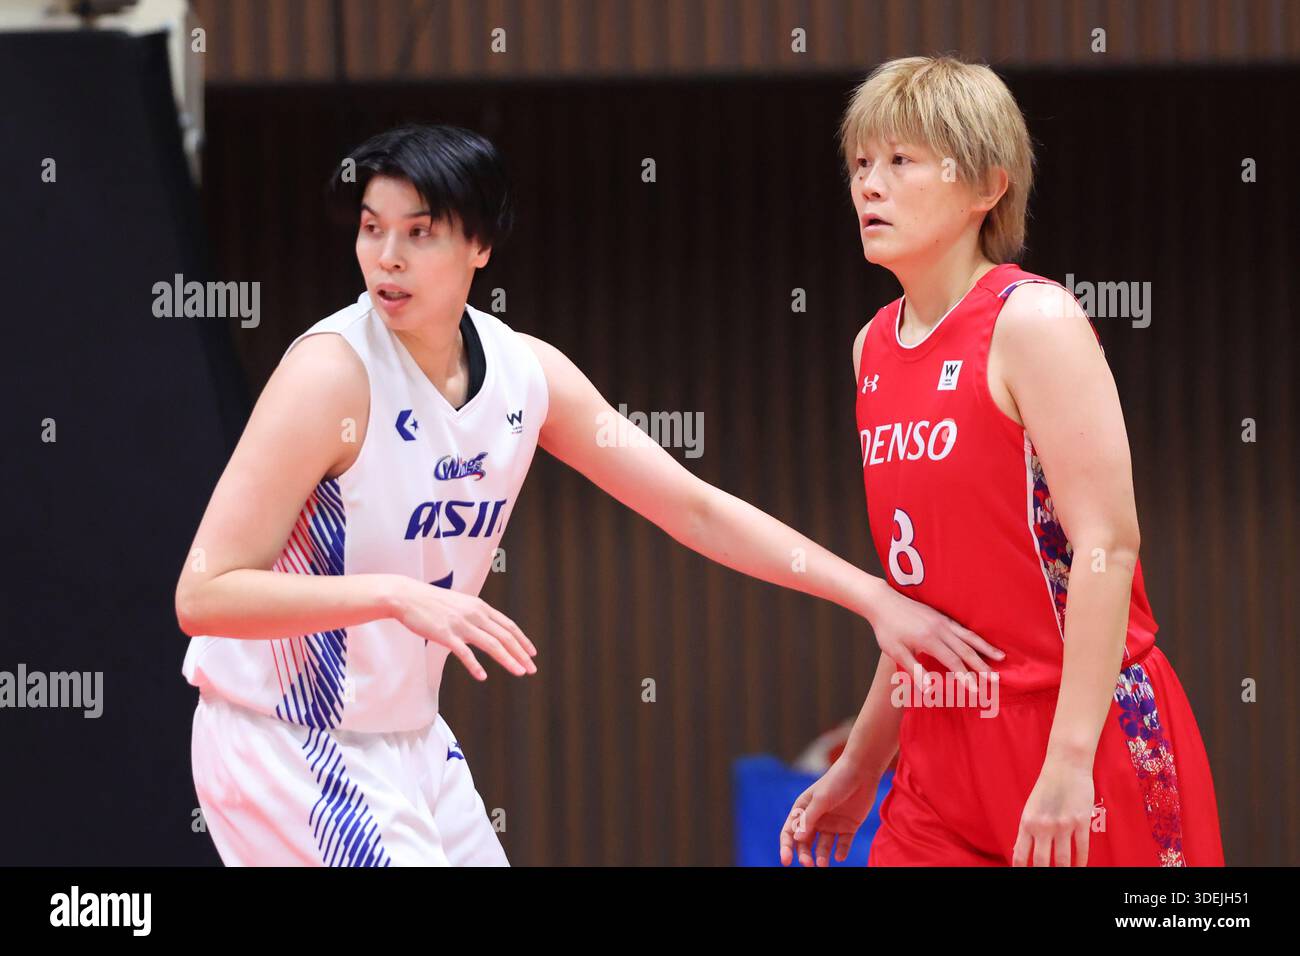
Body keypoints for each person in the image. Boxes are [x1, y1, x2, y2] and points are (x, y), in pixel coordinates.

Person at [174, 123, 998, 866]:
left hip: (408, 739)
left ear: (480, 245)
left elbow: (694, 508)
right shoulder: (329, 374)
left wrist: (872, 598)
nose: (386, 256)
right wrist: (393, 595)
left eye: (419, 232)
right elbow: (204, 595)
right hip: (290, 736)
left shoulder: (526, 374)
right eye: (371, 227)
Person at [779, 56, 1224, 867]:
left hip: (1081, 731)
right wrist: (864, 761)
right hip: (939, 749)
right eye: (861, 163)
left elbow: (1107, 543)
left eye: (901, 161)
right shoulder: (871, 348)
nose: (869, 184)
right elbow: (919, 603)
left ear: (986, 186)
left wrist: (1070, 759)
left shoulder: (1034, 321)